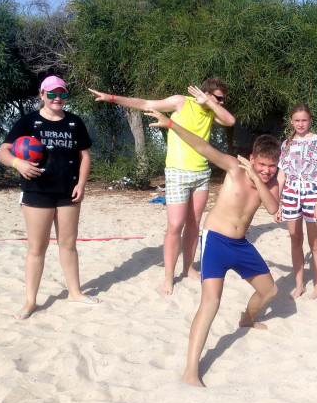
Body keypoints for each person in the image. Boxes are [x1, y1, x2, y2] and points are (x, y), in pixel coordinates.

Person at [144, 108, 280, 387]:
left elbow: (271, 207)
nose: (267, 170)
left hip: (241, 245)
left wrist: (258, 179)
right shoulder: (234, 168)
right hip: (216, 241)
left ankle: (246, 320)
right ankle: (190, 370)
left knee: (270, 291)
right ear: (252, 158)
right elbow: (203, 147)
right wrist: (171, 124)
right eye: (261, 164)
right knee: (211, 302)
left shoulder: (273, 182)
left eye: (272, 166)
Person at [89, 78, 236, 295]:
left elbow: (230, 121)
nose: (222, 103)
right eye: (219, 98)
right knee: (175, 225)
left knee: (194, 223)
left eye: (223, 100)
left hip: (201, 173)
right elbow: (145, 104)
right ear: (205, 93)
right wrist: (111, 98)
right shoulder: (181, 102)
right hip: (177, 172)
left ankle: (188, 268)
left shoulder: (212, 111)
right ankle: (169, 276)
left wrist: (211, 103)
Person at [0, 75, 99, 320]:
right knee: (37, 247)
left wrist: (81, 184)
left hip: (68, 191)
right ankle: (30, 301)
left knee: (68, 244)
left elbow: (85, 157)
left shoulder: (74, 122)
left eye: (62, 94)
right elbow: (3, 150)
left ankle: (74, 292)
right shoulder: (29, 121)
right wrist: (18, 163)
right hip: (37, 191)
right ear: (42, 94)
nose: (57, 98)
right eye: (51, 94)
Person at [274, 104, 317, 299]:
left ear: (309, 120)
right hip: (290, 195)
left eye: (304, 120)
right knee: (295, 240)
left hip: (312, 194)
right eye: (297, 120)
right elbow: (281, 175)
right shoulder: (286, 144)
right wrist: (277, 204)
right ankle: (299, 285)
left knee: (315, 243)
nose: (301, 124)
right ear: (291, 121)